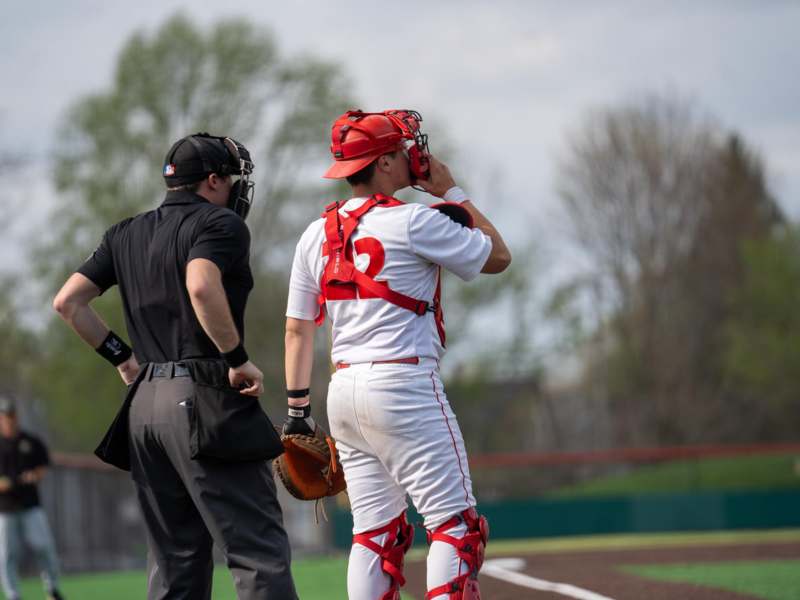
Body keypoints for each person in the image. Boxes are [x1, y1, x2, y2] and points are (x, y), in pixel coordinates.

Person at [52, 134, 297, 600]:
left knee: (173, 564)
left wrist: (122, 358)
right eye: (231, 179)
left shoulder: (124, 231)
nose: (236, 189)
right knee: (257, 554)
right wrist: (238, 360)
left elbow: (68, 303)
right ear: (212, 181)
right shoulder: (220, 224)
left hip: (143, 407)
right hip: (204, 398)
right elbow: (201, 285)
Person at [283, 110, 511, 599]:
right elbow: (497, 255)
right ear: (383, 162)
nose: (413, 156)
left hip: (342, 392)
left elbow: (297, 331)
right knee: (457, 526)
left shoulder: (313, 235)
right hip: (403, 386)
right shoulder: (414, 220)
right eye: (402, 150)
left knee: (374, 535)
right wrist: (451, 192)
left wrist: (297, 414)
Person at [0, 398, 64, 600]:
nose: (9, 420)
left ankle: (52, 590)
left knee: (44, 547)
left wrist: (34, 476)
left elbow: (42, 466)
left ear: (16, 416)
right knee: (7, 555)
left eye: (12, 415)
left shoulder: (30, 441)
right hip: (6, 508)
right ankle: (13, 595)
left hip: (30, 505)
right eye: (5, 416)